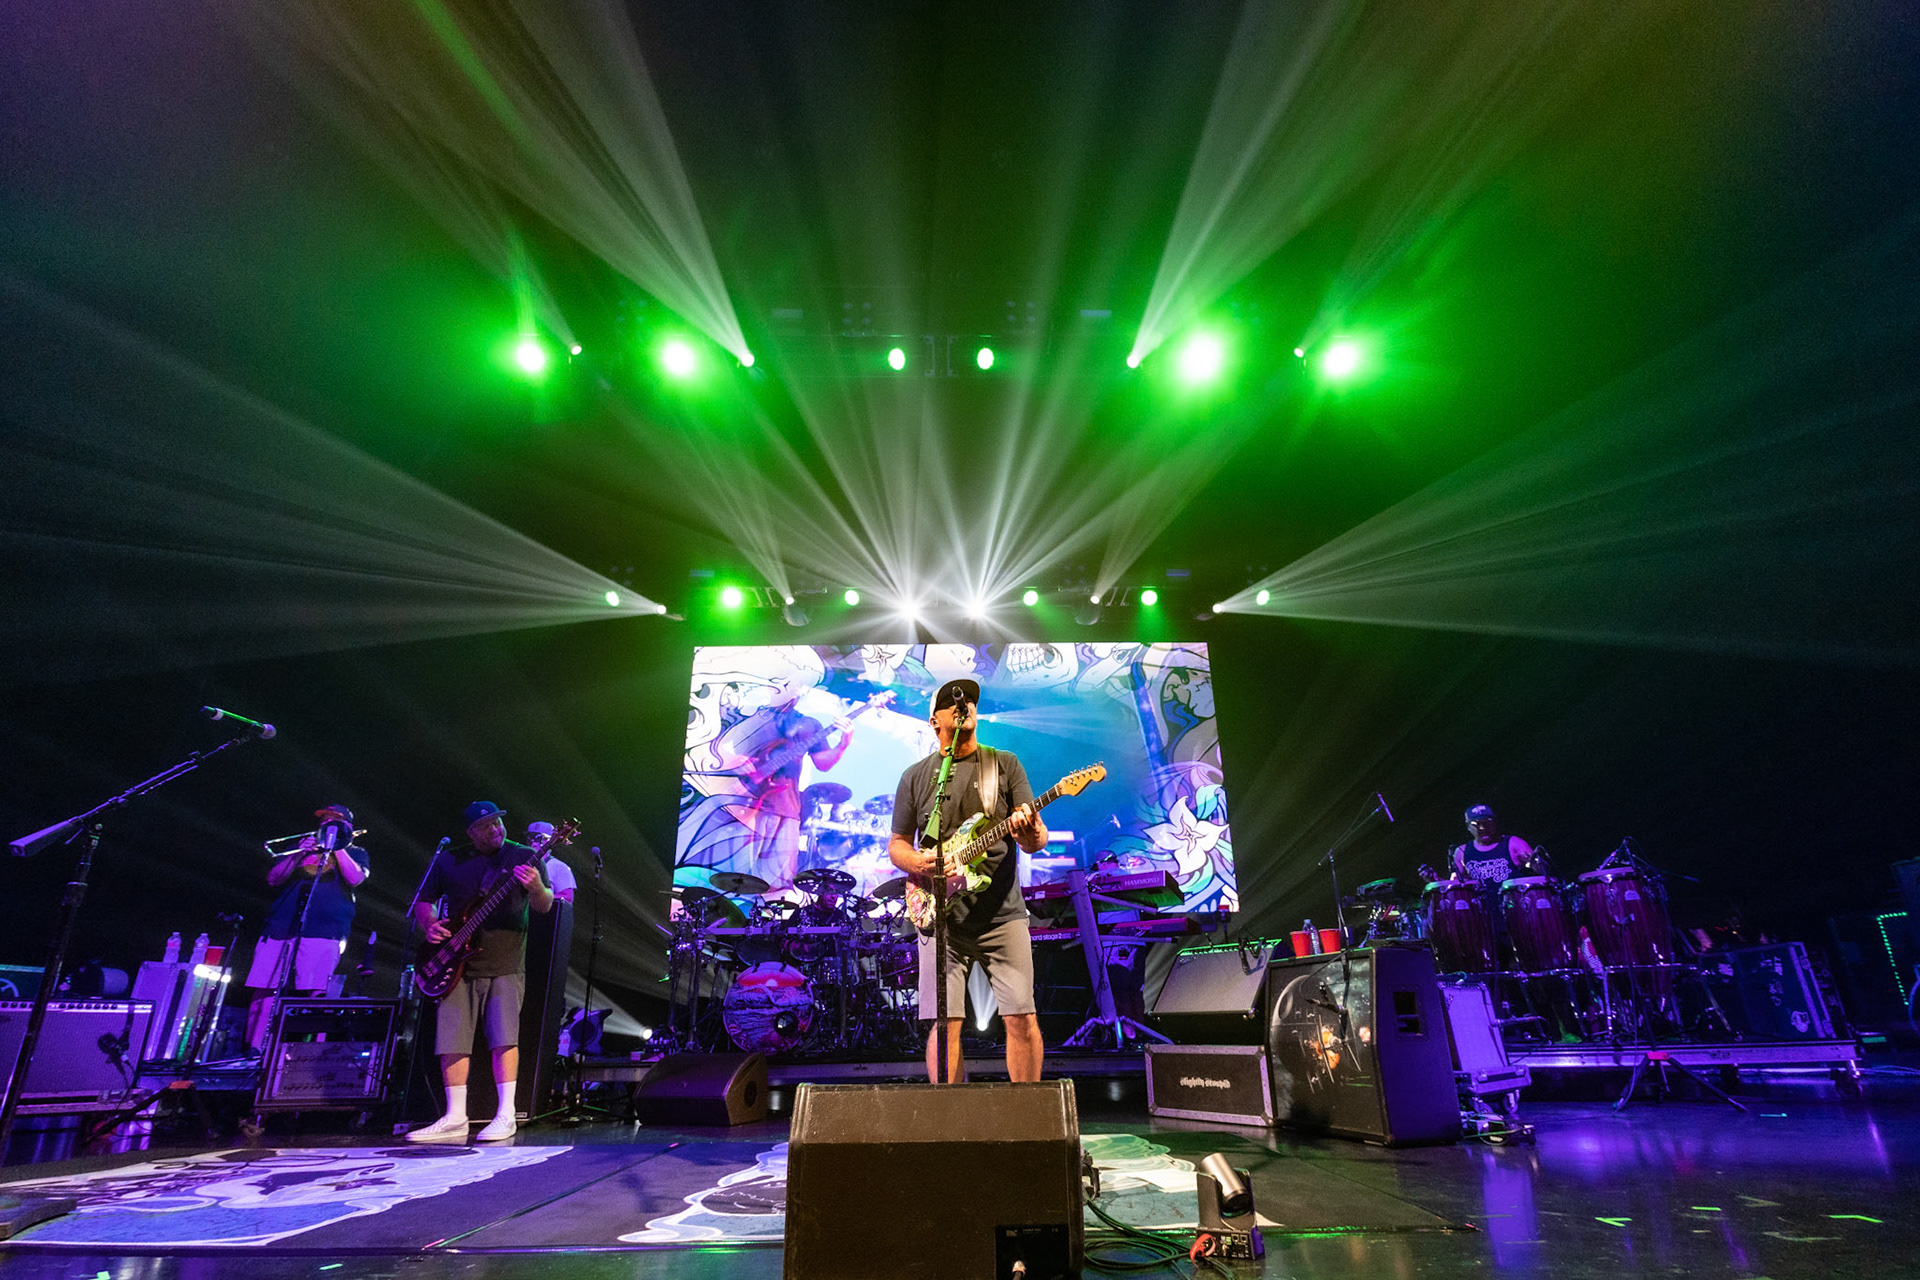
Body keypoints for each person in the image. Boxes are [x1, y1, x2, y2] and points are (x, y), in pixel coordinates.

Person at [888, 678, 1049, 1084]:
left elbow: (1035, 840)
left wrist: (1029, 828)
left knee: (1021, 1016)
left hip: (1002, 915)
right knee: (945, 1025)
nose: (965, 706)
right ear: (934, 721)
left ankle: (1029, 1110)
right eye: (953, 703)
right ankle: (949, 1114)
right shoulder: (915, 776)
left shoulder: (1004, 764)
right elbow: (897, 844)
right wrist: (921, 864)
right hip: (941, 920)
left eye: (970, 702)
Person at [407, 800, 554, 1142]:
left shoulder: (523, 856)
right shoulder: (450, 859)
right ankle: (455, 1116)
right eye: (486, 826)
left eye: (498, 823)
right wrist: (430, 924)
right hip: (456, 961)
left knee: (504, 1038)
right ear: (471, 832)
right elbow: (423, 902)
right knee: (452, 1039)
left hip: (505, 961)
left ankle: (506, 1114)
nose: (495, 830)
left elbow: (544, 905)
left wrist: (535, 886)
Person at [244, 804, 368, 1052]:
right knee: (264, 990)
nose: (327, 823)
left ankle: (307, 1056)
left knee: (316, 992)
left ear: (348, 825)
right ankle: (253, 1053)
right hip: (281, 926)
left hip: (325, 930)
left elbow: (355, 879)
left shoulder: (356, 852)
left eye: (335, 820)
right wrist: (298, 853)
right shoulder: (301, 848)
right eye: (324, 819)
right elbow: (274, 879)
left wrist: (337, 846)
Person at [527, 821, 576, 904]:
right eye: (530, 837)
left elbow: (567, 897)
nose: (532, 841)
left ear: (549, 840)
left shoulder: (559, 867)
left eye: (537, 838)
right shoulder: (521, 860)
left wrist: (542, 897)